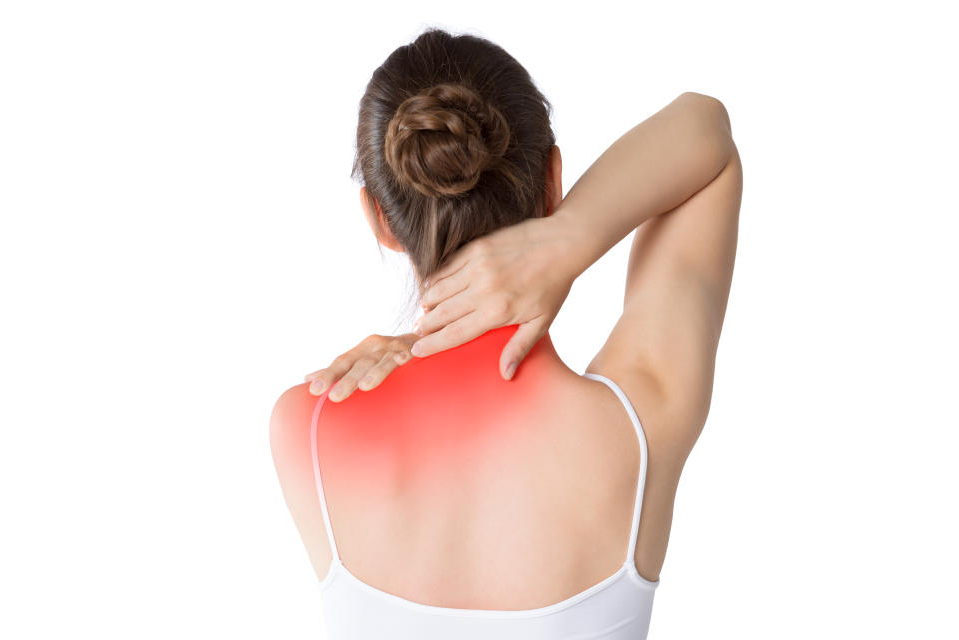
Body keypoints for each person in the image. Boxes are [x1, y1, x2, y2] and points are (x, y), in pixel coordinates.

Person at [270, 27, 742, 639]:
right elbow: (707, 133)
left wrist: (417, 348)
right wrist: (571, 236)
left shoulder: (304, 430)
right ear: (553, 180)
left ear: (380, 219)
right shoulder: (642, 421)